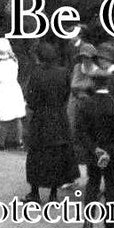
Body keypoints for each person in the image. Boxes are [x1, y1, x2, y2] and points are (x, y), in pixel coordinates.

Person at [74, 69, 114, 228]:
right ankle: (109, 226)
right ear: (107, 83)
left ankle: (88, 223)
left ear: (93, 83)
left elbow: (81, 131)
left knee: (92, 184)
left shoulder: (86, 104)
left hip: (93, 154)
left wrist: (95, 149)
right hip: (111, 155)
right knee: (111, 187)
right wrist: (108, 151)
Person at [23, 43, 78, 203]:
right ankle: (53, 194)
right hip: (59, 118)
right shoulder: (63, 73)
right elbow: (67, 94)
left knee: (36, 155)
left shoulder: (36, 74)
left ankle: (34, 192)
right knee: (56, 155)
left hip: (41, 119)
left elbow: (31, 100)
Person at [0, 39, 24, 150]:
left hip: (2, 92)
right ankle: (19, 141)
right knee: (17, 118)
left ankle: (0, 142)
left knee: (3, 119)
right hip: (15, 90)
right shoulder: (14, 63)